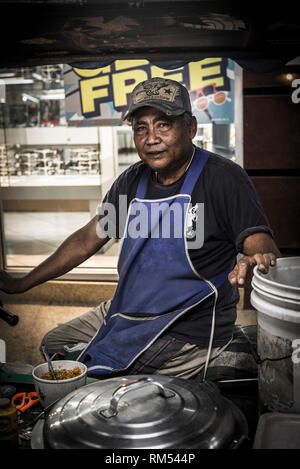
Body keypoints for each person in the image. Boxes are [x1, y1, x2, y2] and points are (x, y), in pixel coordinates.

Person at [0, 77, 281, 380]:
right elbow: (85, 240)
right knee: (52, 346)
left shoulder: (223, 178)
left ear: (190, 128)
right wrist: (21, 283)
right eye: (140, 128)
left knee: (94, 379)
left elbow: (259, 242)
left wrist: (257, 257)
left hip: (187, 323)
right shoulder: (131, 180)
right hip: (129, 307)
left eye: (164, 124)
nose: (151, 138)